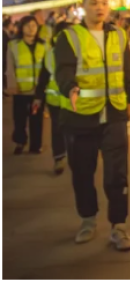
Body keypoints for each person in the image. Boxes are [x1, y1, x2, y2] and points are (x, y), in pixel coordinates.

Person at [54, 0, 130, 250]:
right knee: (82, 172)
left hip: (114, 114)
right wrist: (70, 88)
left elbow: (127, 72)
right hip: (80, 117)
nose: (100, 7)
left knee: (117, 174)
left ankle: (119, 227)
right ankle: (88, 220)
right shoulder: (69, 37)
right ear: (83, 6)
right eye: (93, 3)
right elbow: (62, 71)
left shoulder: (119, 35)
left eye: (104, 2)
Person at [34, 21, 72, 174]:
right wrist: (38, 97)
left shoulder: (81, 51)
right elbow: (43, 76)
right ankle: (59, 158)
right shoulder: (50, 54)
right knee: (58, 129)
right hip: (57, 99)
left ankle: (71, 157)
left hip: (75, 99)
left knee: (72, 130)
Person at [6, 15, 47, 155]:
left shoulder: (44, 45)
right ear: (21, 28)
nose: (31, 28)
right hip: (21, 90)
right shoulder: (13, 45)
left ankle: (36, 145)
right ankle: (20, 141)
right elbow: (10, 67)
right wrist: (11, 84)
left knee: (37, 119)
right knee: (19, 119)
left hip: (38, 90)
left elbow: (47, 67)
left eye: (34, 25)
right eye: (28, 26)